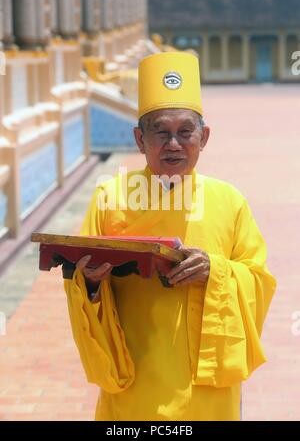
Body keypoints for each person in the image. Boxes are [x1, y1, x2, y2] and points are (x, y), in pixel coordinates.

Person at [63, 51, 276, 421]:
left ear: (204, 137)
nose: (173, 144)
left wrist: (216, 270)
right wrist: (92, 283)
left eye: (185, 132)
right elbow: (83, 284)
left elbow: (258, 281)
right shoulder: (110, 198)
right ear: (139, 139)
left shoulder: (229, 200)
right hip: (136, 377)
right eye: (161, 132)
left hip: (207, 388)